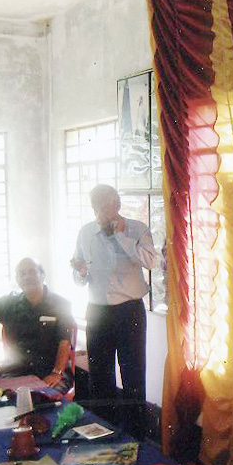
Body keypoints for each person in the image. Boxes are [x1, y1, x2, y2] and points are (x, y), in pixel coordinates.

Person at [70, 184, 161, 437]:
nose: (101, 211)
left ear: (117, 204)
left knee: (133, 376)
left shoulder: (137, 229)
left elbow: (151, 261)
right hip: (97, 312)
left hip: (129, 312)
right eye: (97, 206)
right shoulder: (86, 232)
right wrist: (80, 272)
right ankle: (103, 436)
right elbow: (79, 277)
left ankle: (136, 438)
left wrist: (121, 237)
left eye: (106, 205)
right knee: (100, 378)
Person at [0, 258, 75, 395]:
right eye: (21, 274)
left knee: (44, 399)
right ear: (17, 279)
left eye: (32, 272)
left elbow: (65, 343)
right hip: (14, 371)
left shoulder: (61, 304)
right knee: (8, 399)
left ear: (42, 275)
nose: (27, 277)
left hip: (50, 371)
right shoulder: (8, 304)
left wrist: (57, 372)